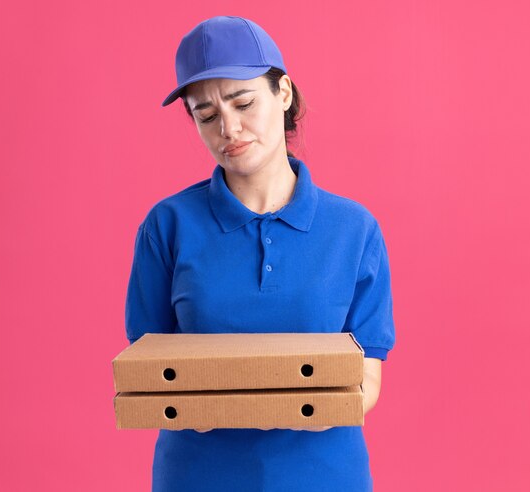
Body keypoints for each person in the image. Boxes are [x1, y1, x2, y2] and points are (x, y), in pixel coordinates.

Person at [125, 15, 396, 492]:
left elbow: (366, 381)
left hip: (324, 477)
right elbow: (149, 368)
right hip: (198, 477)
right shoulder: (167, 227)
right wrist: (206, 407)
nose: (228, 128)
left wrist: (283, 407)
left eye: (243, 102)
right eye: (205, 115)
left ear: (284, 93)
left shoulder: (354, 230)